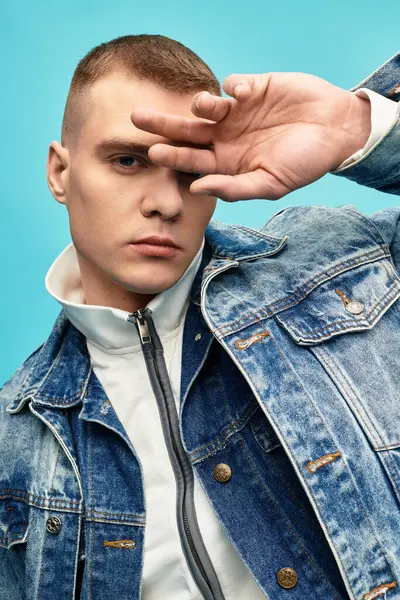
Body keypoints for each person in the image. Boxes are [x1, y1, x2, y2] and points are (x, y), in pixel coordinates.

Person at [0, 34, 399, 600]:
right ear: (60, 174)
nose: (165, 202)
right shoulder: (15, 441)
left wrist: (357, 129)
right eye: (128, 161)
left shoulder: (343, 264)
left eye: (189, 171)